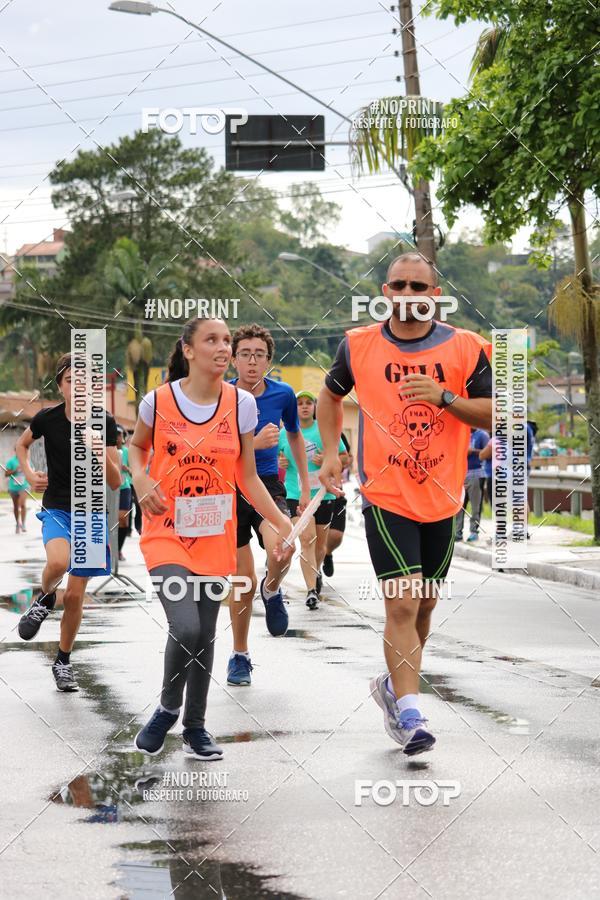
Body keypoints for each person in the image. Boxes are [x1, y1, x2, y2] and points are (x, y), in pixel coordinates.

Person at [317, 252, 492, 755]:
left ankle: (395, 686)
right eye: (400, 286)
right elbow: (329, 397)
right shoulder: (358, 345)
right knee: (402, 600)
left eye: (420, 287)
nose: (410, 295)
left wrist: (442, 397)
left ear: (434, 296)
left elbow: (492, 414)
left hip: (443, 495)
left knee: (425, 605)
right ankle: (411, 715)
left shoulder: (466, 347)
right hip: (385, 493)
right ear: (385, 292)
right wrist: (332, 453)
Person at [130, 317, 294, 760]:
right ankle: (167, 708)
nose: (224, 348)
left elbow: (246, 475)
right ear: (188, 349)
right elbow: (136, 448)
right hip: (166, 531)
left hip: (215, 533)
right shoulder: (158, 401)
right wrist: (141, 479)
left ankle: (196, 727)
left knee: (203, 633)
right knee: (184, 625)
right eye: (213, 340)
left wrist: (281, 522)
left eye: (227, 341)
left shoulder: (241, 404)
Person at [15, 353, 121, 691]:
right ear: (60, 386)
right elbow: (21, 444)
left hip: (91, 514)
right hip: (58, 508)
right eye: (71, 380)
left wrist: (98, 452)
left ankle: (62, 661)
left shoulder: (104, 422)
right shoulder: (47, 419)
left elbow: (117, 480)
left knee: (75, 597)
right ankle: (45, 597)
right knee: (58, 562)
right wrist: (30, 473)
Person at [226, 323, 310, 687]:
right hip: (227, 487)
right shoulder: (220, 396)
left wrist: (305, 486)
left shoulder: (283, 394)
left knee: (283, 546)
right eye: (244, 354)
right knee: (241, 579)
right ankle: (240, 654)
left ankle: (273, 589)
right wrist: (254, 445)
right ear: (232, 360)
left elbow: (294, 434)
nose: (252, 361)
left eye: (259, 355)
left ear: (269, 361)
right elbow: (209, 447)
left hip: (266, 485)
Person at [279, 391, 348, 610]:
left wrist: (329, 458)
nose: (304, 407)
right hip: (296, 493)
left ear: (315, 407)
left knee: (320, 545)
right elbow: (276, 459)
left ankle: (316, 571)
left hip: (323, 494)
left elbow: (344, 457)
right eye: (299, 403)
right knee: (306, 539)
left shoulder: (325, 430)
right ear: (294, 408)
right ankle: (310, 590)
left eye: (309, 403)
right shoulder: (285, 433)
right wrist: (280, 461)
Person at [322, 431, 352, 577]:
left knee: (336, 535)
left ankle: (327, 553)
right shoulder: (299, 431)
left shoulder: (336, 433)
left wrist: (327, 461)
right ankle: (314, 578)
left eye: (308, 405)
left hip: (335, 491)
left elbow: (347, 458)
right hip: (309, 493)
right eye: (300, 405)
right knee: (310, 538)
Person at [455, 427, 489, 543]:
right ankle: (457, 532)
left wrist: (472, 451)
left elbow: (488, 452)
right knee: (459, 506)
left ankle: (474, 532)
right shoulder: (462, 433)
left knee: (475, 506)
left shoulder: (482, 435)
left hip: (477, 473)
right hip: (461, 474)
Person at [4, 444, 30, 533]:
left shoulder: (26, 460)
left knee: (22, 504)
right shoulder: (11, 461)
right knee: (16, 507)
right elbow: (6, 474)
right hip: (13, 487)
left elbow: (31, 472)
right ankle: (17, 523)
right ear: (16, 451)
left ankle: (23, 524)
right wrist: (16, 470)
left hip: (24, 486)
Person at [116, 428, 133, 561]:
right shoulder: (104, 450)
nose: (117, 438)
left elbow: (135, 470)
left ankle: (118, 550)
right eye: (114, 434)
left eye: (119, 435)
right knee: (107, 520)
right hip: (108, 488)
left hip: (124, 486)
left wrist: (126, 468)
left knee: (123, 519)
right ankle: (108, 549)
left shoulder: (127, 452)